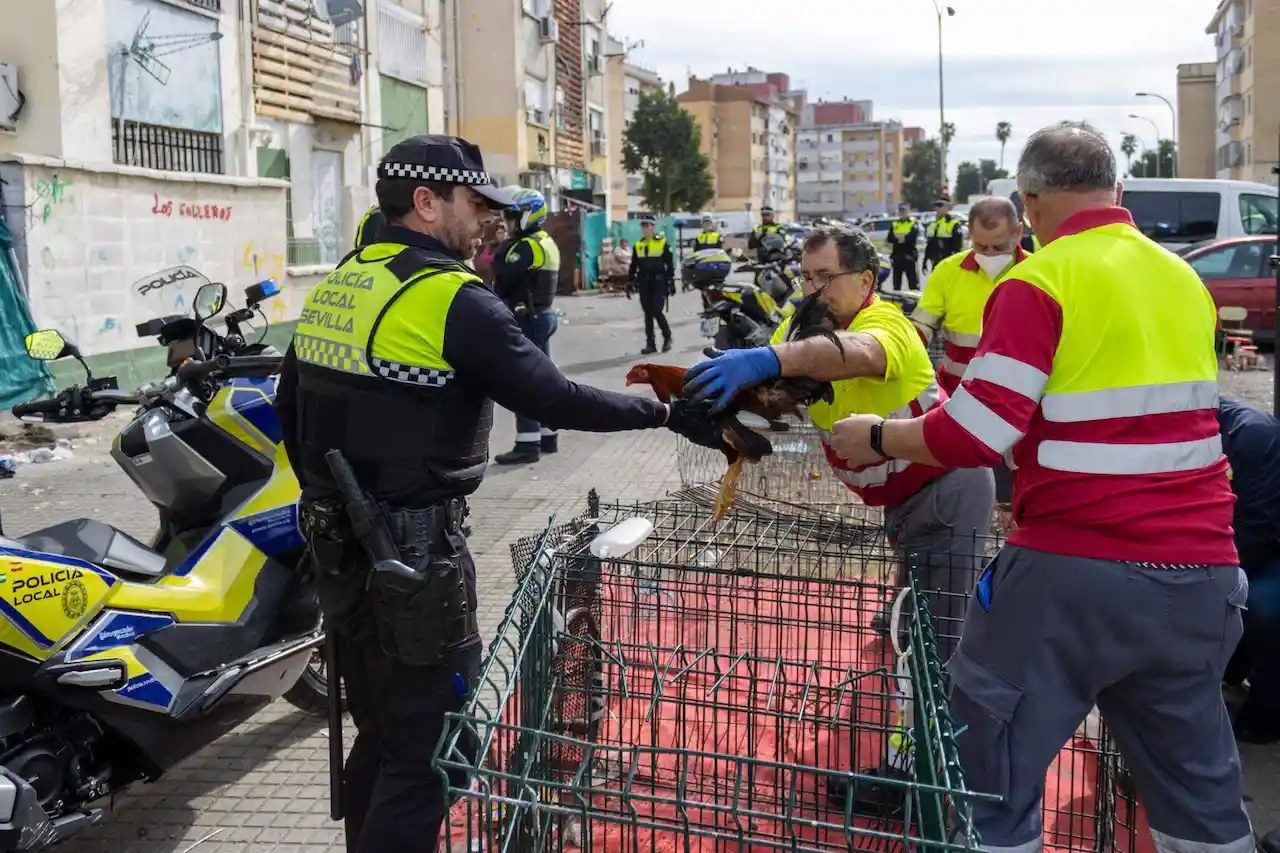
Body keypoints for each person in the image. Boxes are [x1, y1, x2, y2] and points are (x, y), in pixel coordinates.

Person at [272, 134, 728, 853]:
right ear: (426, 202)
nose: (487, 218)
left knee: (382, 738)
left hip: (341, 556)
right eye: (474, 202)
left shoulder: (344, 281)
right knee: (432, 755)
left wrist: (332, 502)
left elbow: (288, 402)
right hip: (415, 564)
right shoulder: (451, 297)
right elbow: (555, 396)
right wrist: (666, 411)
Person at [827, 123, 1253, 853]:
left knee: (986, 785)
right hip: (1201, 577)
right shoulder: (1184, 279)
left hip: (1072, 574)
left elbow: (974, 434)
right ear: (1115, 190)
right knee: (1199, 798)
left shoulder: (1041, 280)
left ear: (1028, 202)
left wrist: (875, 435)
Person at [682, 223, 994, 812]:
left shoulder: (887, 326)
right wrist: (737, 400)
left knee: (936, 644)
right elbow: (781, 386)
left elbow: (856, 357)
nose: (813, 290)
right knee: (913, 630)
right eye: (806, 277)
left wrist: (769, 358)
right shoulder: (802, 327)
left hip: (947, 492)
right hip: (903, 502)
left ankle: (927, 786)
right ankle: (924, 761)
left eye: (827, 278)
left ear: (868, 281)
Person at [910, 197, 1026, 397]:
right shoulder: (947, 271)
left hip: (1019, 397)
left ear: (1018, 233)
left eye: (999, 247)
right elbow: (921, 328)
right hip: (957, 394)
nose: (990, 255)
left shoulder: (1037, 273)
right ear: (969, 234)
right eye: (981, 247)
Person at [1218, 396, 1280, 745]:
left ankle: (1270, 709)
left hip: (1269, 545)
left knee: (1262, 607)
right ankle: (1232, 666)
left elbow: (1258, 527)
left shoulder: (1252, 435)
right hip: (1237, 542)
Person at [491, 188, 562, 464]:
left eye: (512, 216)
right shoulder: (545, 240)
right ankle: (547, 437)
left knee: (524, 381)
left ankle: (527, 444)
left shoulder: (525, 246)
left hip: (527, 318)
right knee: (544, 379)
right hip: (542, 314)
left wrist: (502, 248)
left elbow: (503, 276)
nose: (507, 222)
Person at [628, 218, 675, 354]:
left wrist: (670, 281)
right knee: (647, 312)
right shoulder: (638, 245)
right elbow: (634, 265)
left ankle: (667, 337)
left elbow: (670, 263)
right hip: (644, 281)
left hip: (659, 281)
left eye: (647, 226)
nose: (645, 228)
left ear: (653, 227)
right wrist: (629, 282)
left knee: (656, 309)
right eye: (643, 226)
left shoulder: (662, 242)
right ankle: (651, 344)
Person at [885, 203, 921, 291]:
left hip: (909, 256)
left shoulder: (913, 223)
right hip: (897, 256)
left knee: (913, 284)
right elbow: (889, 238)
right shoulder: (894, 224)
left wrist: (902, 238)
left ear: (908, 211)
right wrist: (899, 239)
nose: (902, 213)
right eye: (900, 211)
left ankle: (915, 302)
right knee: (897, 284)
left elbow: (913, 237)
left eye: (904, 211)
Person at [923, 196, 964, 270]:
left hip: (949, 262)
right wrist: (925, 260)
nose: (937, 208)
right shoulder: (933, 224)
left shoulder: (953, 224)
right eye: (936, 205)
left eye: (940, 205)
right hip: (936, 262)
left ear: (948, 207)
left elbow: (958, 247)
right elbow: (929, 244)